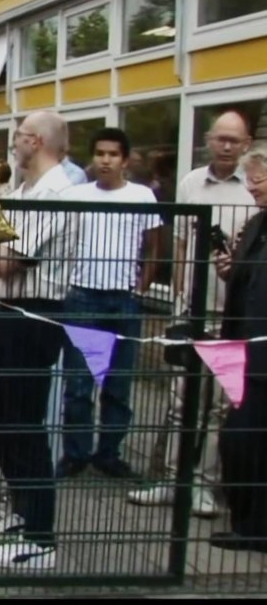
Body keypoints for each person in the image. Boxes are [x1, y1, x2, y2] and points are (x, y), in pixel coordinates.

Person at [131, 109, 257, 516]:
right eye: (220, 138)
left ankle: (203, 484)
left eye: (234, 141)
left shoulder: (253, 189)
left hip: (232, 315)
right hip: (191, 311)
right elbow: (182, 243)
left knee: (220, 405)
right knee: (181, 401)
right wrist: (180, 297)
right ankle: (172, 479)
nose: (226, 147)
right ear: (207, 140)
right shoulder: (190, 183)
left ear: (246, 144)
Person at [0, 110, 76, 570]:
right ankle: (22, 508)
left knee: (21, 418)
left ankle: (39, 537)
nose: (13, 145)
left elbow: (8, 258)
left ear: (35, 141)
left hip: (36, 312)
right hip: (8, 307)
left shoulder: (56, 193)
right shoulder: (22, 191)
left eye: (17, 137)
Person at [57, 127, 162, 480]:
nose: (105, 160)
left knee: (119, 384)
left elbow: (154, 246)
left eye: (113, 154)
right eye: (100, 153)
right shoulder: (77, 195)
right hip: (83, 296)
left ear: (125, 160)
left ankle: (109, 454)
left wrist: (140, 288)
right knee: (78, 384)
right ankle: (75, 454)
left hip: (123, 299)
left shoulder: (142, 196)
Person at [211, 144, 267, 551]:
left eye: (259, 179)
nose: (251, 187)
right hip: (247, 350)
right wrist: (232, 271)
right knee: (239, 439)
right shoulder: (257, 223)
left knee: (245, 437)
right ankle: (249, 524)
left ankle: (255, 528)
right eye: (249, 179)